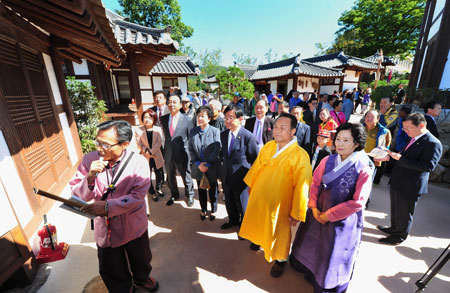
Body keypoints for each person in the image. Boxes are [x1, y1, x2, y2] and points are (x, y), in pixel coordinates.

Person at [70, 120, 159, 292]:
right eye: (97, 141)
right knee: (110, 265)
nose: (99, 148)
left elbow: (137, 196)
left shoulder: (139, 163)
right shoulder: (89, 160)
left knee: (141, 257)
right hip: (106, 226)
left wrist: (107, 207)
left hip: (133, 223)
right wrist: (89, 177)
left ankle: (141, 279)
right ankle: (122, 288)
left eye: (105, 144)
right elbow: (78, 193)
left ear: (124, 144)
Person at [290, 122, 374, 293]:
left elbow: (358, 202)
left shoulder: (363, 168)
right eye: (338, 140)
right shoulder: (327, 160)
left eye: (346, 140)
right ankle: (309, 271)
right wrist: (313, 207)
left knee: (332, 252)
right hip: (317, 212)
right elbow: (314, 183)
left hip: (342, 220)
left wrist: (329, 215)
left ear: (356, 144)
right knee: (312, 244)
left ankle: (325, 283)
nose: (340, 144)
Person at [239, 113, 312, 277]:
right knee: (259, 220)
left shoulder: (300, 155)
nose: (277, 131)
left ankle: (280, 260)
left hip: (281, 203)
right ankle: (258, 241)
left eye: (283, 128)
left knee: (280, 232)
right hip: (261, 196)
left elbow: (303, 185)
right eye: (276, 127)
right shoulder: (269, 146)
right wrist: (251, 184)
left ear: (293, 131)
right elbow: (257, 166)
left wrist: (297, 211)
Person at [376, 113, 442, 245]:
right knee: (395, 207)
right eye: (404, 128)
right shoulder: (413, 137)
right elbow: (405, 157)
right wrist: (390, 157)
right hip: (398, 179)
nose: (405, 131)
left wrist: (401, 159)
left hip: (411, 184)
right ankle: (394, 228)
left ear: (421, 126)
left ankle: (399, 236)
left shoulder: (433, 143)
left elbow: (428, 166)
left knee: (404, 212)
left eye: (408, 128)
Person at [220, 104, 258, 230]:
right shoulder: (224, 135)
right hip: (227, 176)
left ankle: (244, 227)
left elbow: (255, 160)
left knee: (243, 205)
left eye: (231, 117)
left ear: (240, 119)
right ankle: (233, 220)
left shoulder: (248, 137)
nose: (228, 121)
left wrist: (252, 181)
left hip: (242, 179)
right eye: (226, 117)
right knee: (230, 202)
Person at [160, 95, 195, 207]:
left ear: (180, 105)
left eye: (175, 102)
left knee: (186, 175)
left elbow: (191, 138)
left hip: (182, 152)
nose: (172, 104)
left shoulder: (188, 120)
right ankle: (174, 194)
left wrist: (190, 154)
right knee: (170, 175)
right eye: (170, 102)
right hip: (169, 152)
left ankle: (189, 195)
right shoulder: (164, 118)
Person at [188, 106, 221, 221]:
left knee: (213, 190)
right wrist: (198, 164)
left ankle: (213, 209)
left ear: (209, 118)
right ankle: (203, 209)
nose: (200, 118)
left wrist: (207, 165)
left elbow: (217, 149)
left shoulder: (215, 131)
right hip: (198, 167)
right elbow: (191, 149)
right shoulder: (193, 132)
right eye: (198, 116)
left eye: (203, 116)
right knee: (201, 190)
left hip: (211, 167)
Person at [135, 109, 165, 202]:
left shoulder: (158, 129)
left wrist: (151, 152)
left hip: (156, 155)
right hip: (145, 156)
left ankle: (158, 188)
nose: (147, 119)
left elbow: (159, 142)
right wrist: (147, 152)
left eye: (150, 117)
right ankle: (152, 192)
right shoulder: (138, 130)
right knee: (148, 175)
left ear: (154, 118)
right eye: (145, 117)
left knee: (159, 173)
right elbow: (138, 144)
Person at [363, 110, 391, 187]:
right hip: (359, 156)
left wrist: (381, 157)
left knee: (367, 181)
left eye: (372, 117)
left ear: (378, 119)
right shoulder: (360, 127)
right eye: (367, 116)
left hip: (372, 158)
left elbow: (386, 146)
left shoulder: (384, 132)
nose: (369, 118)